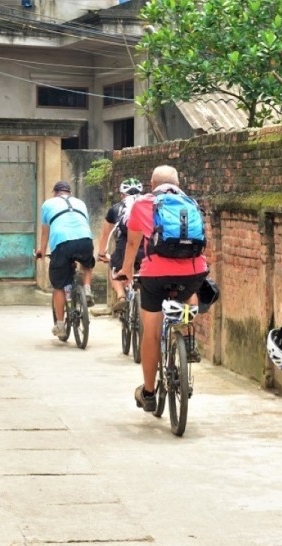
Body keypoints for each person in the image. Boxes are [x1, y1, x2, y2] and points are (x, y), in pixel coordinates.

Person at [116, 165, 208, 412]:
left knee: (152, 334)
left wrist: (126, 270)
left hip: (155, 274)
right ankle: (188, 337)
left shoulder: (143, 204)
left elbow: (133, 243)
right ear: (178, 182)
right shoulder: (191, 203)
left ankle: (148, 392)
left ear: (151, 183)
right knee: (192, 290)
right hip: (193, 270)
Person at [35, 180, 96, 340]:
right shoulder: (80, 203)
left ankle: (61, 324)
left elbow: (45, 232)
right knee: (87, 264)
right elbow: (84, 224)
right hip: (85, 240)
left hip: (62, 243)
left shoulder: (48, 204)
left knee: (59, 286)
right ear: (69, 192)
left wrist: (41, 250)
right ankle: (87, 289)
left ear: (55, 193)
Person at [96, 178, 145, 313]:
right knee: (143, 271)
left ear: (122, 194)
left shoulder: (116, 208)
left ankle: (121, 296)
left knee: (114, 268)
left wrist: (101, 254)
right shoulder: (149, 205)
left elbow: (105, 234)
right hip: (147, 245)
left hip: (125, 246)